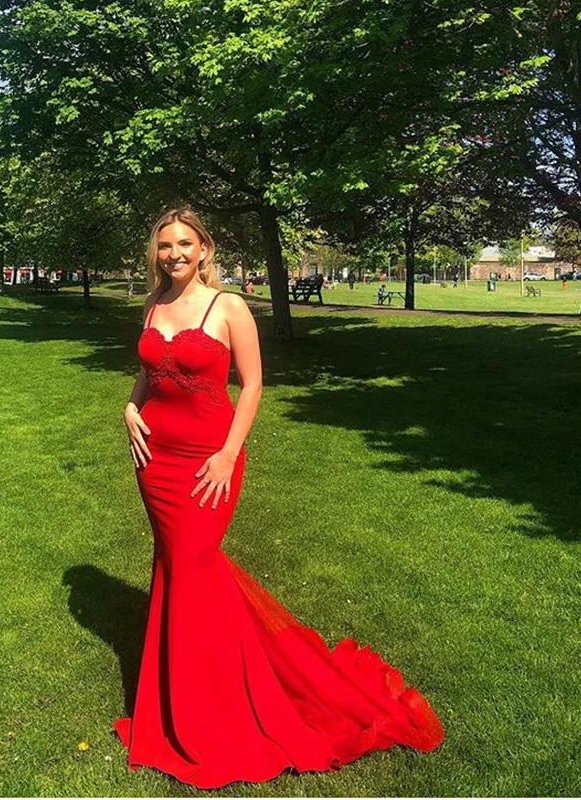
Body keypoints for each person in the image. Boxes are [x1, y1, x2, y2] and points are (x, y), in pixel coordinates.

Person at [117, 207, 444, 788]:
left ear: (204, 248)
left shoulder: (229, 307)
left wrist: (227, 452)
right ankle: (178, 701)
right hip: (156, 462)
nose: (174, 254)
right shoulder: (153, 304)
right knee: (178, 571)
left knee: (191, 568)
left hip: (208, 460)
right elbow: (149, 371)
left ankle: (213, 713)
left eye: (185, 244)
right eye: (165, 245)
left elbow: (253, 383)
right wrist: (129, 406)